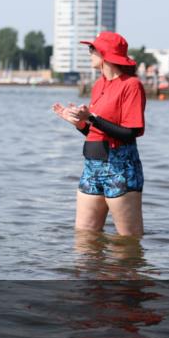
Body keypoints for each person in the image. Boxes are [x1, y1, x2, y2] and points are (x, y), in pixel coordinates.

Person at [52, 31, 146, 237]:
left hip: (120, 167)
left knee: (128, 241)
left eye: (92, 49)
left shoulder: (131, 85)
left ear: (106, 54)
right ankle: (94, 271)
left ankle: (126, 271)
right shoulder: (98, 85)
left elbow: (129, 133)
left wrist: (92, 118)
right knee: (85, 238)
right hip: (91, 166)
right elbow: (96, 131)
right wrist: (79, 123)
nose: (89, 53)